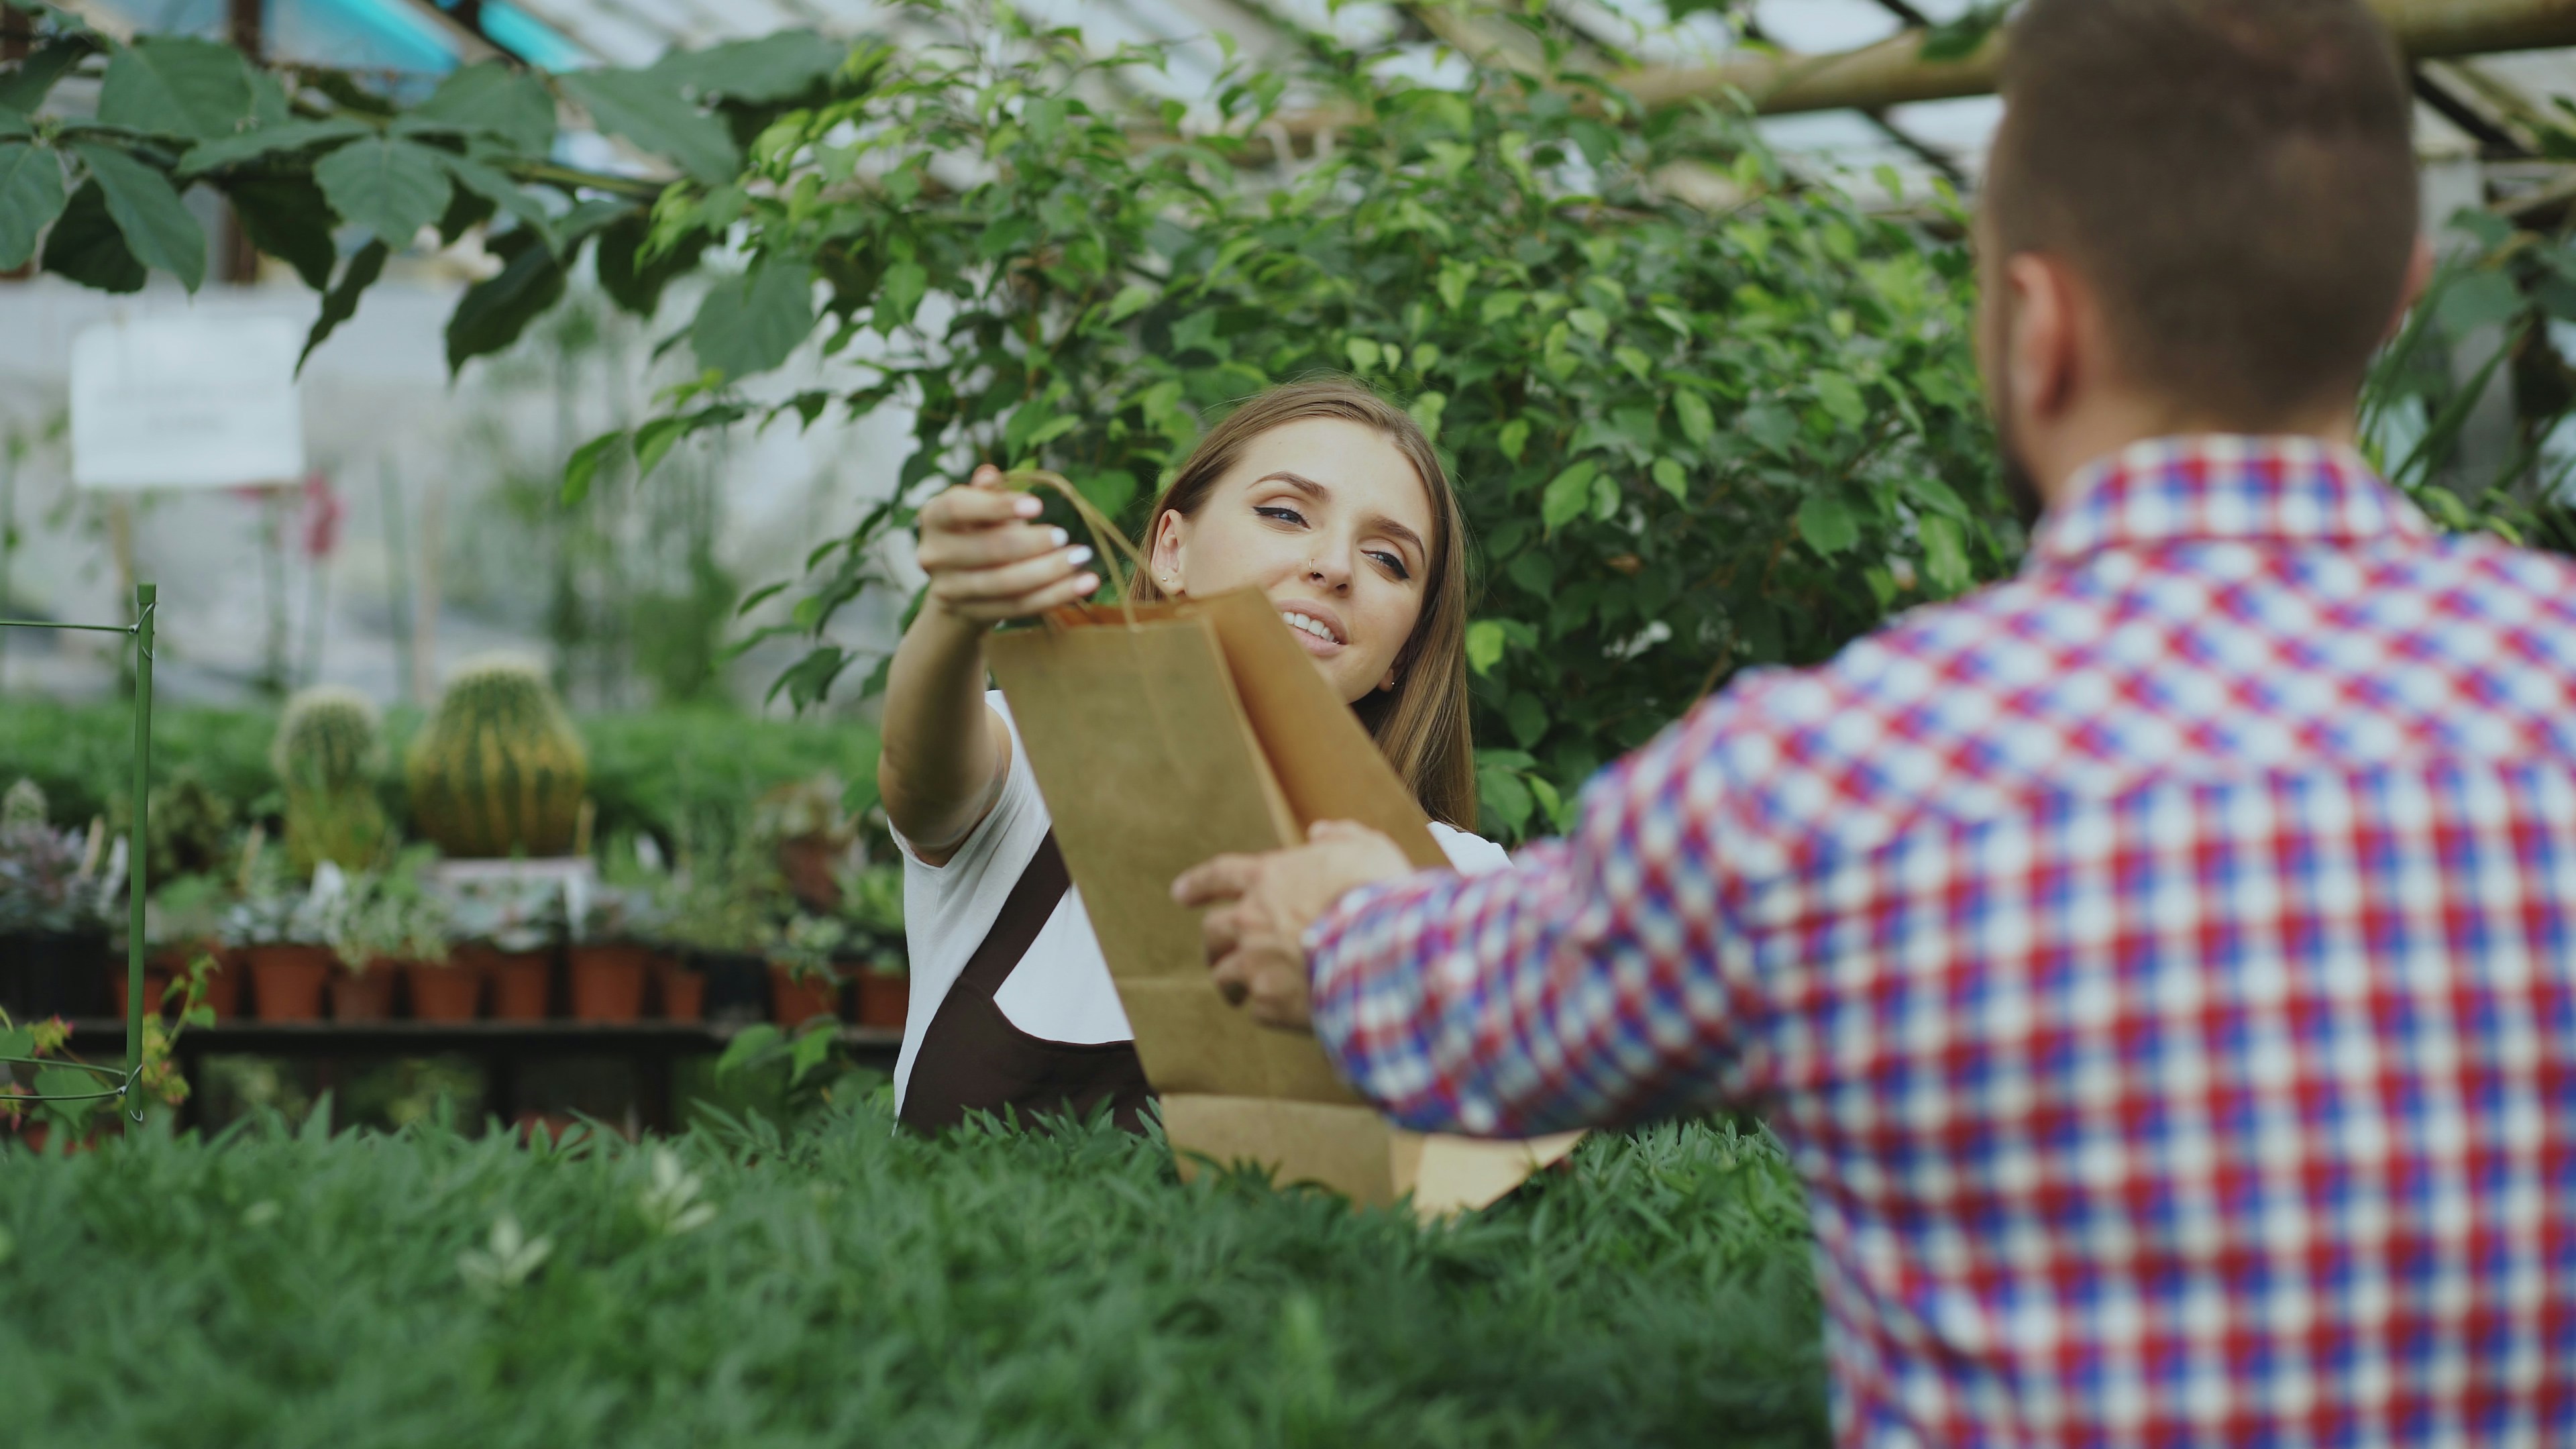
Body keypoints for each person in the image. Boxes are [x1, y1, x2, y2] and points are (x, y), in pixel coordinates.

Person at [1177, 2, 2576, 1442]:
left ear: (2039, 327)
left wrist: (1336, 925)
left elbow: (1495, 1008)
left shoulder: (1823, 779)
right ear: (2400, 293)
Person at [881, 378, 1509, 1135]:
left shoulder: (1459, 881)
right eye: (1285, 513)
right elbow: (923, 779)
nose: (1336, 565)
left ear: (1399, 656)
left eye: (1388, 559)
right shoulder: (1035, 761)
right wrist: (954, 613)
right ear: (1172, 550)